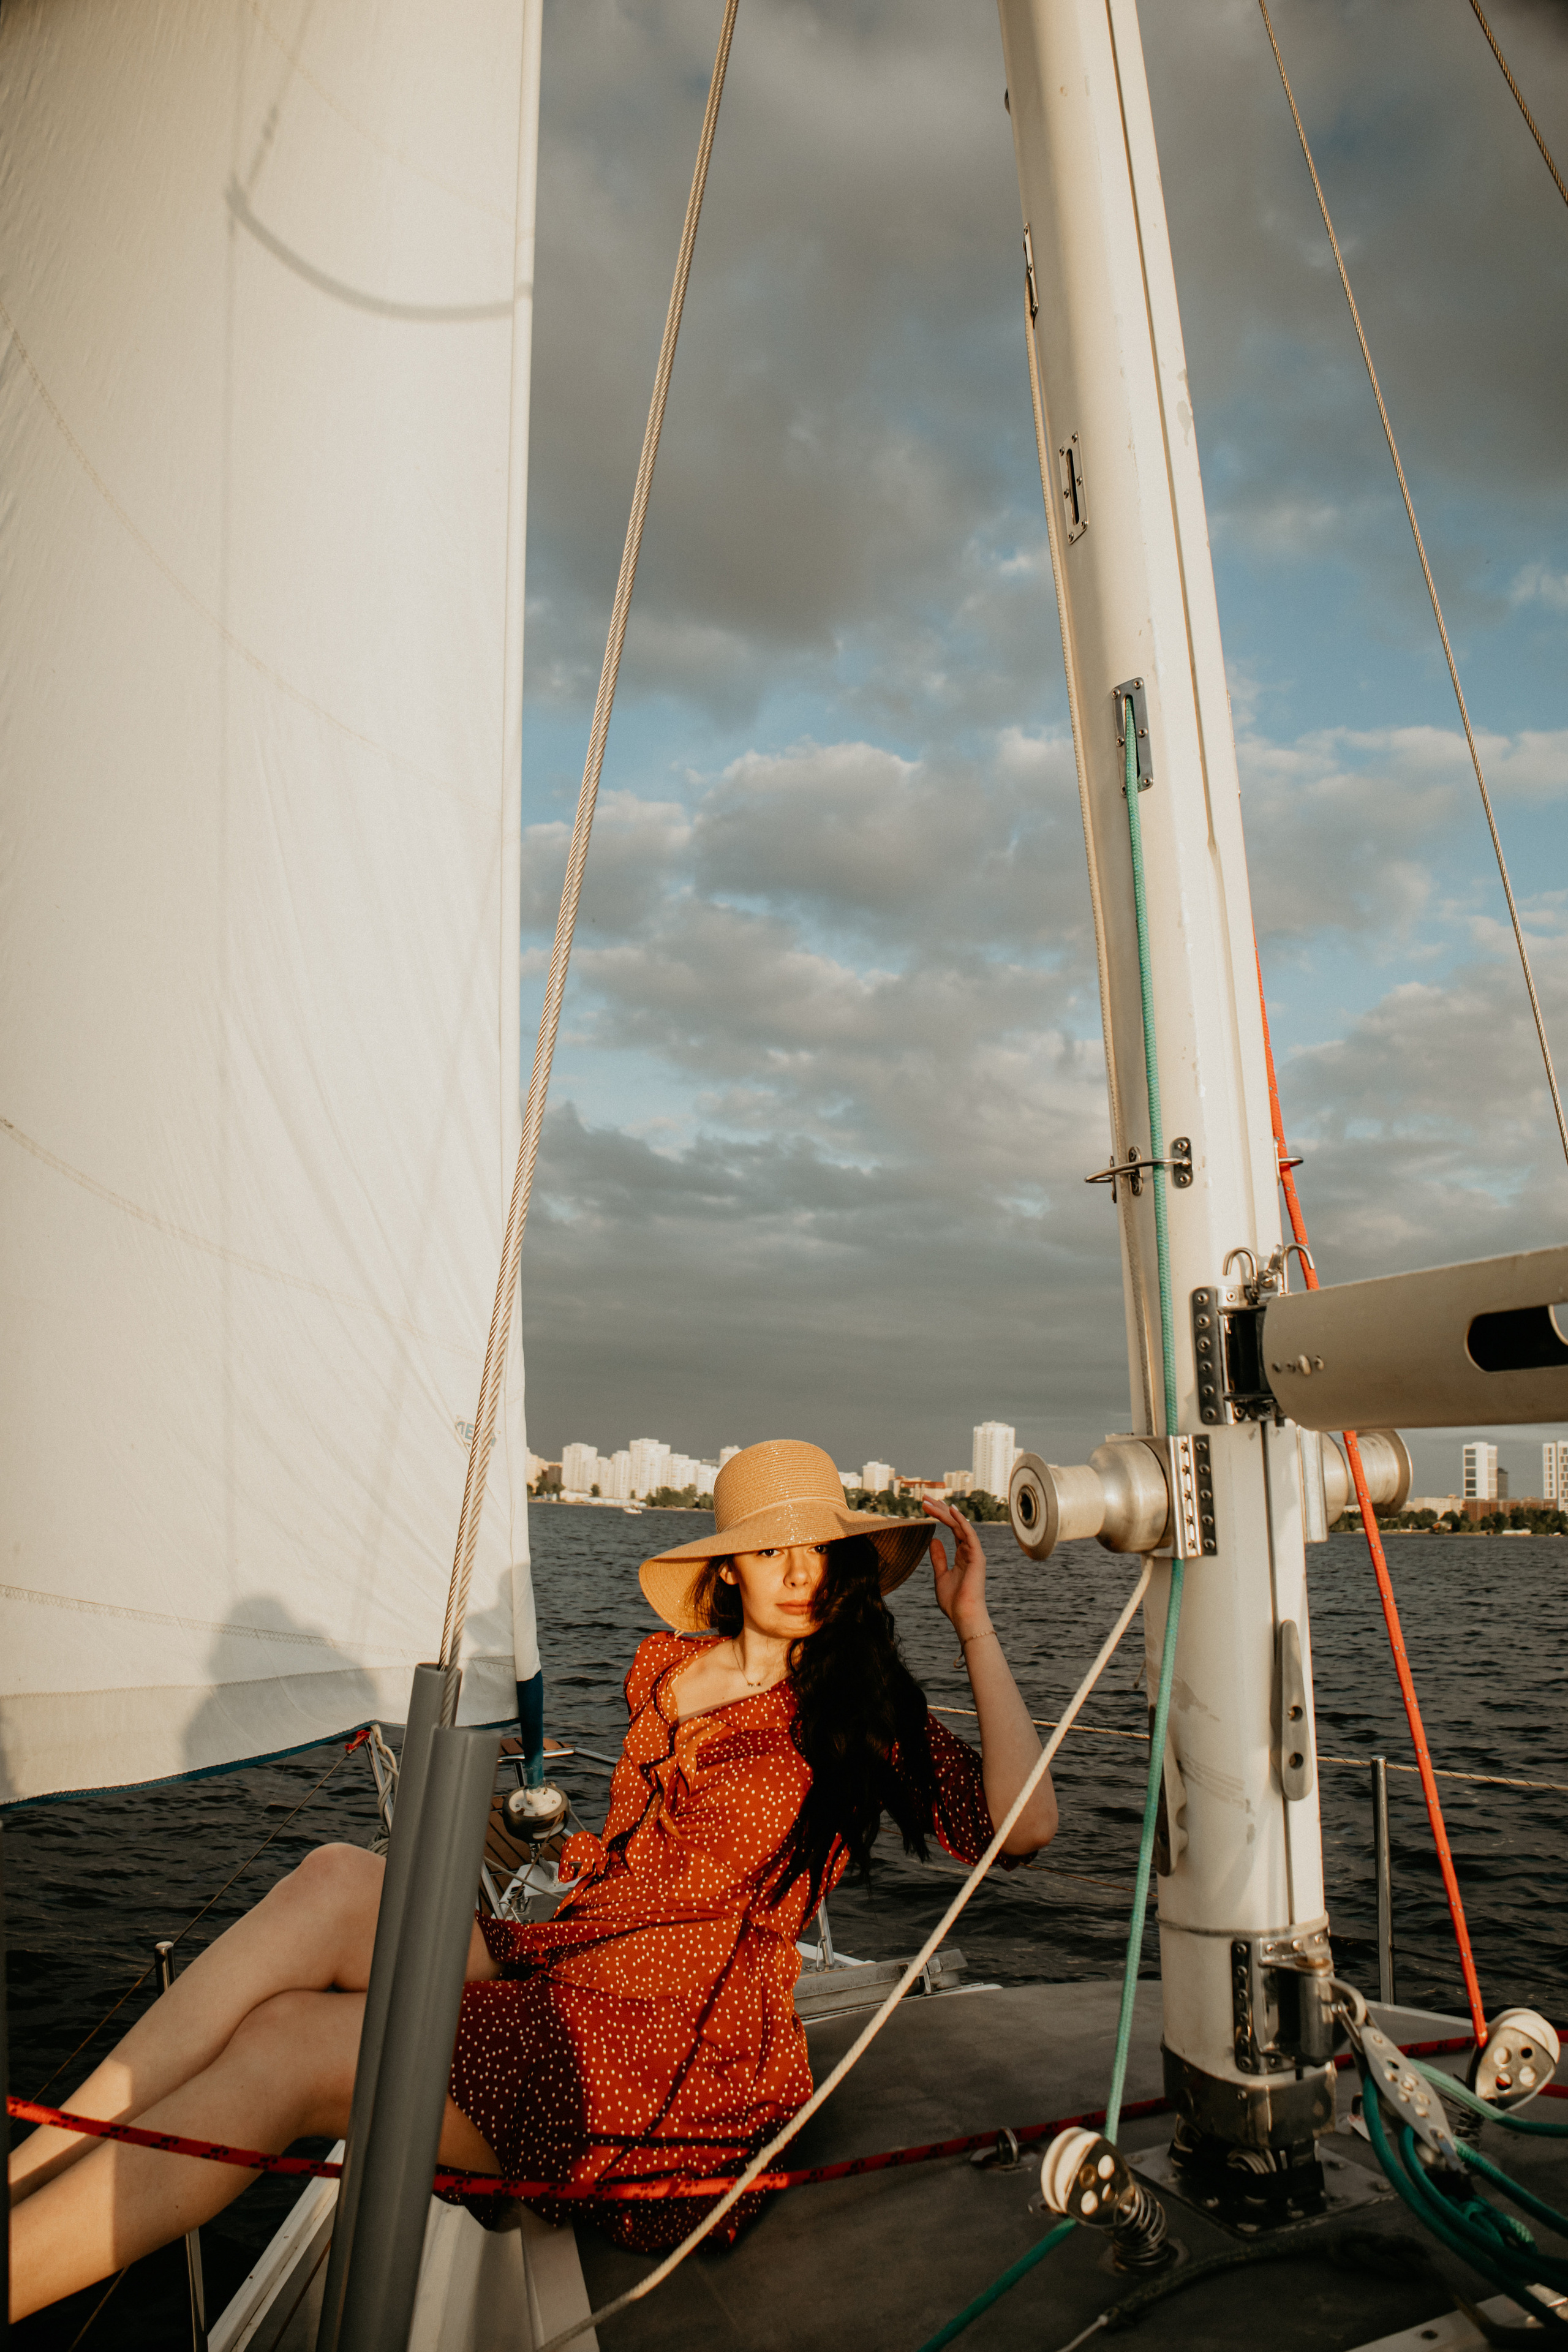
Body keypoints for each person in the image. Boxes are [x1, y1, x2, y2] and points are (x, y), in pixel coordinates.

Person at [9, 1440, 1057, 2316]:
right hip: (575, 1961)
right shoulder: (665, 1668)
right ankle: (33, 2162)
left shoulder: (856, 1713)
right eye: (769, 1548)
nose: (798, 1570)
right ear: (730, 1568)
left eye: (818, 1548)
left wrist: (973, 1624)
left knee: (286, 2047)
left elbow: (1029, 1826)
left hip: (673, 2060)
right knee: (334, 1877)